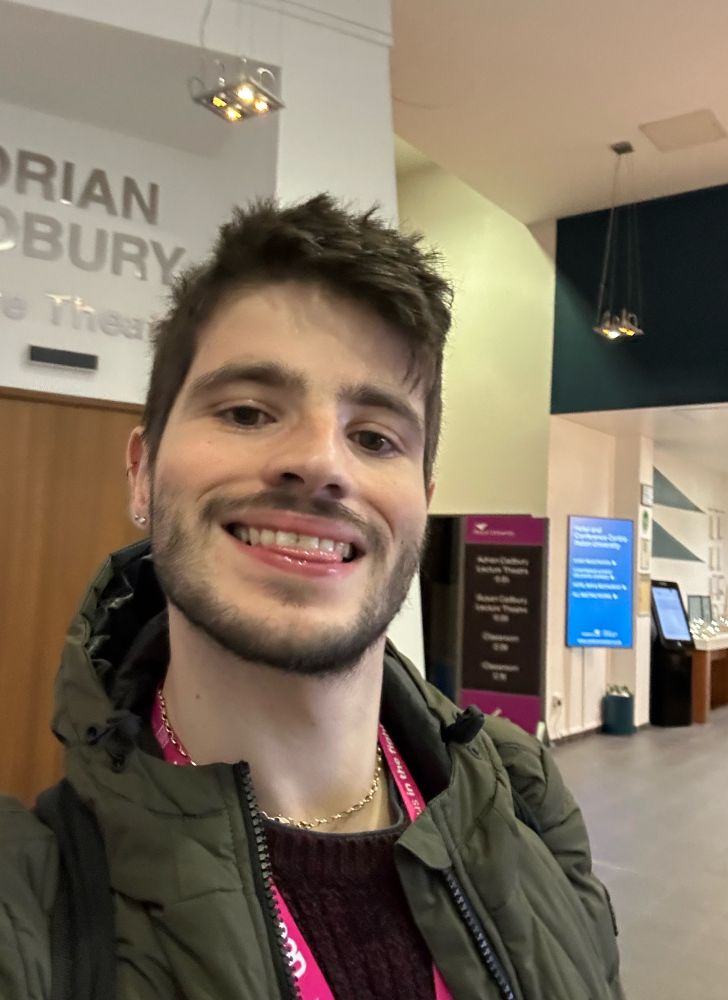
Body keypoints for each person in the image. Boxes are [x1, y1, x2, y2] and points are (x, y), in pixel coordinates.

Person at [0, 195, 624, 1000]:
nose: (320, 463)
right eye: (249, 411)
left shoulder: (527, 805)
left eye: (374, 437)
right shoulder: (31, 906)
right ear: (142, 471)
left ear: (420, 499)